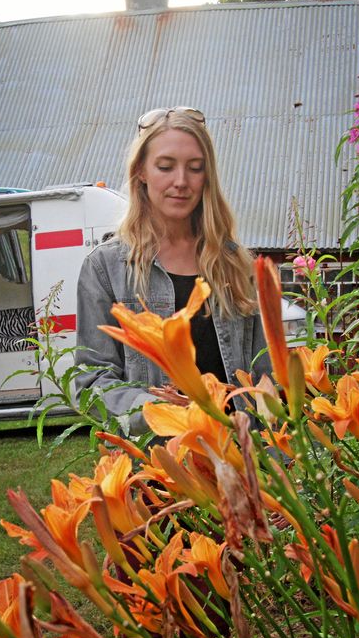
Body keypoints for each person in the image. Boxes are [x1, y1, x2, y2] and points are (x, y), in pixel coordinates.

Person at [75, 107, 271, 436]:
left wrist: (275, 451)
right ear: (141, 171)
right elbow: (93, 381)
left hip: (240, 461)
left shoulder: (235, 263)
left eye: (195, 168)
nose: (181, 182)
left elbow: (263, 372)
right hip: (158, 469)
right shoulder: (105, 268)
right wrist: (164, 414)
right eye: (165, 167)